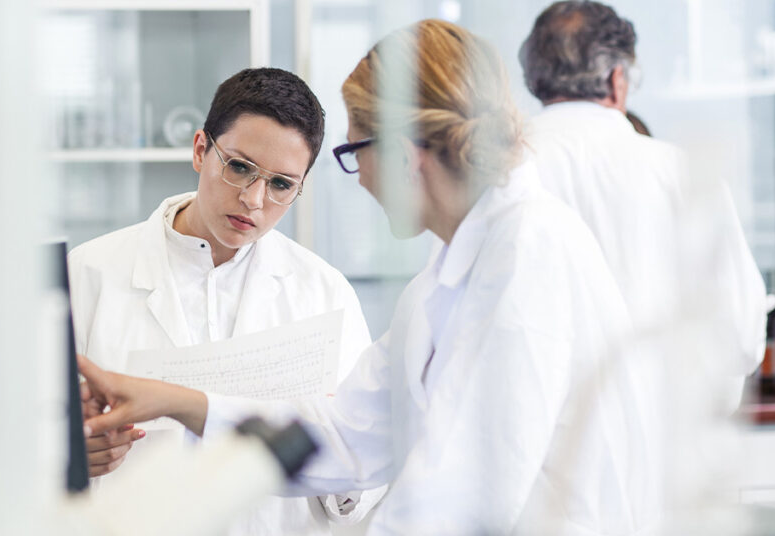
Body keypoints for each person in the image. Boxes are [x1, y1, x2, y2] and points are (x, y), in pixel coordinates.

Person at [79, 19, 659, 534]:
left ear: (407, 157)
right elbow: (344, 432)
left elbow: (463, 498)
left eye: (355, 151)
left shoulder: (529, 257)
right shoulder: (451, 274)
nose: (357, 179)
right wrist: (178, 401)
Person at [67, 67, 381, 534]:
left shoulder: (324, 291)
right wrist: (71, 451)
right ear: (200, 150)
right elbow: (1, 439)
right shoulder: (87, 274)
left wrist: (333, 447)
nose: (254, 200)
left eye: (280, 185)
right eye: (239, 167)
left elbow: (367, 472)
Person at [518, 1, 768, 407]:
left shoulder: (497, 171)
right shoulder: (680, 173)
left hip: (539, 448)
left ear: (535, 80)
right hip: (662, 442)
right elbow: (739, 334)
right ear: (618, 79)